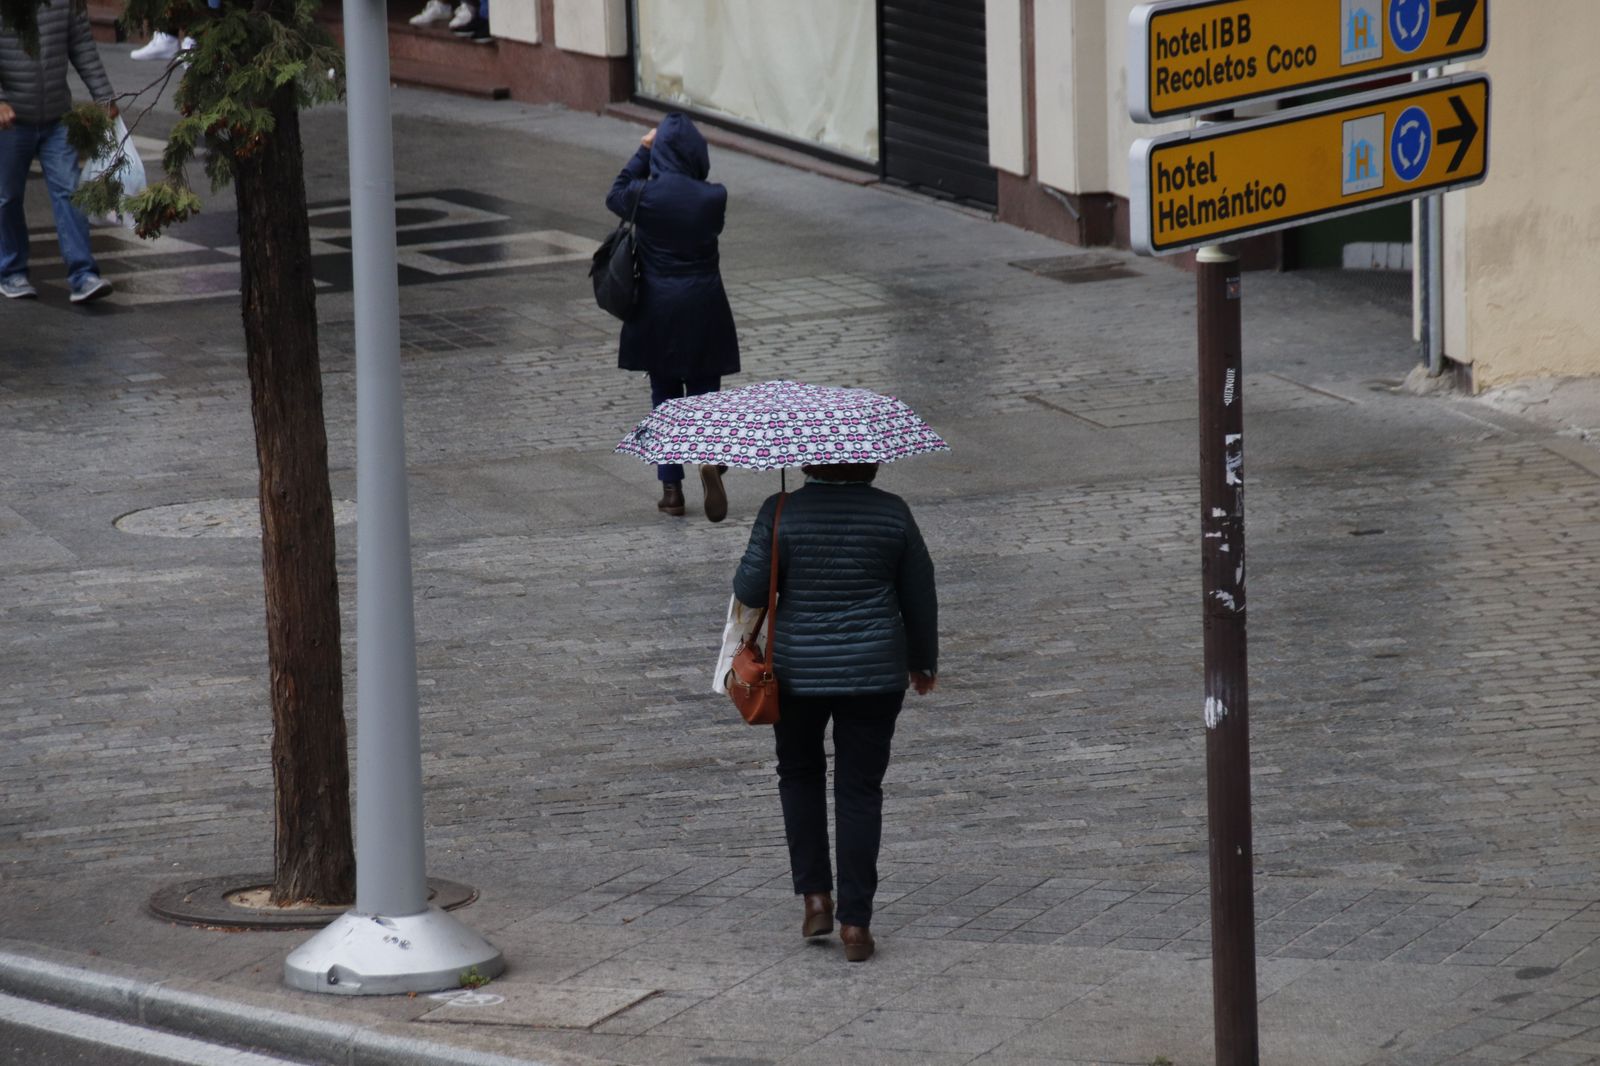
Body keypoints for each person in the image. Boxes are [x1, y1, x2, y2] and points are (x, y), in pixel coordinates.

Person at [731, 462, 938, 961]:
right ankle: (856, 925)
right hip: (875, 673)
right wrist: (923, 660)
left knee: (799, 776)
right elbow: (919, 593)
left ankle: (816, 896)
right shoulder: (893, 513)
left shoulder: (781, 511)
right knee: (860, 790)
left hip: (797, 674)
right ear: (871, 460)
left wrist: (779, 531)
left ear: (807, 462)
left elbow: (750, 589)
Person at [606, 113, 739, 523]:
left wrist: (644, 151)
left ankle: (671, 492)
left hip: (657, 312)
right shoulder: (713, 197)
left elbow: (615, 195)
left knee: (664, 402)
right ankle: (710, 460)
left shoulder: (644, 196)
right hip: (705, 309)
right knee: (705, 401)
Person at [0, 0, 117, 302]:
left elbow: (82, 45)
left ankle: (83, 275)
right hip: (10, 121)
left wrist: (104, 96)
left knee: (70, 190)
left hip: (57, 118)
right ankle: (11, 272)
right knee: (7, 196)